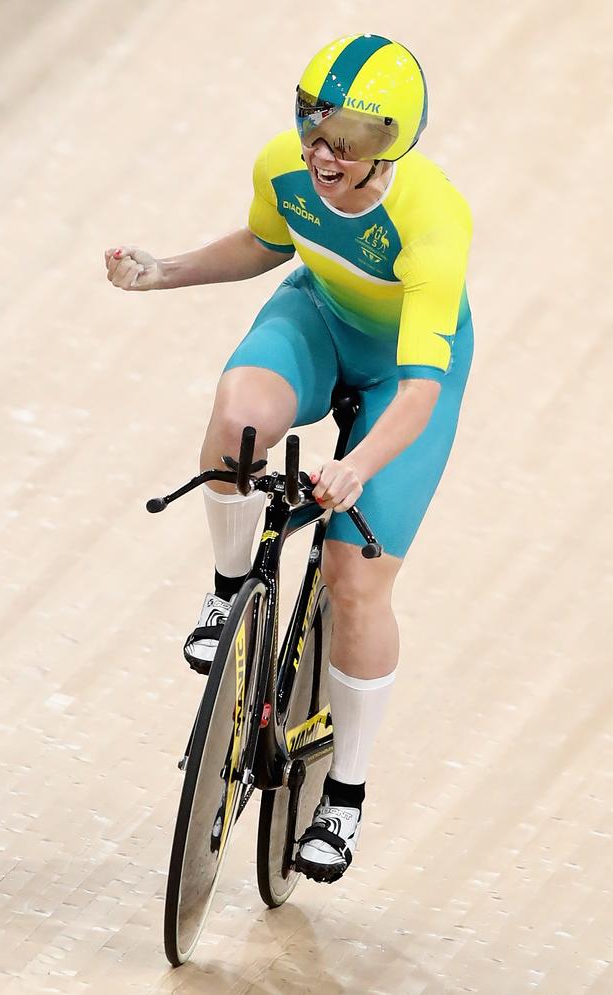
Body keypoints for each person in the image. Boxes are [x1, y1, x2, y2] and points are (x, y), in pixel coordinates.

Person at [105, 33, 473, 884]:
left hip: (402, 379)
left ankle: (343, 798)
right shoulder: (284, 167)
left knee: (354, 575)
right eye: (312, 122)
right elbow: (267, 245)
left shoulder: (432, 220)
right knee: (239, 417)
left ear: (392, 144)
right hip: (320, 316)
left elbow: (419, 394)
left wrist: (356, 467)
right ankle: (230, 588)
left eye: (347, 137)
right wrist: (165, 272)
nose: (321, 150)